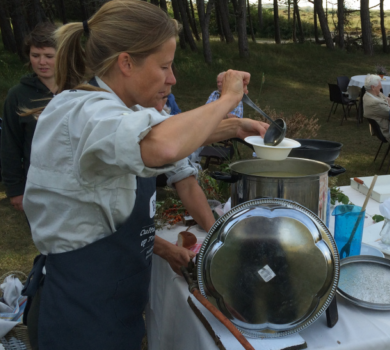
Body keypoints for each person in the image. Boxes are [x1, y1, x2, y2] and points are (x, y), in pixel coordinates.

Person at [20, 2, 268, 349]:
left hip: (114, 299)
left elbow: (163, 131)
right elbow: (161, 145)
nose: (172, 78)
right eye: (164, 66)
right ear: (126, 62)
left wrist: (235, 126)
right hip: (81, 310)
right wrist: (228, 99)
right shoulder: (84, 111)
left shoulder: (120, 109)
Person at [1, 23, 58, 212]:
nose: (42, 62)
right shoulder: (17, 95)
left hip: (81, 185)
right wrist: (15, 189)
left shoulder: (81, 89)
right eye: (35, 56)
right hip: (38, 185)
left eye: (49, 56)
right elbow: (10, 145)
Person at [363, 74, 390, 139]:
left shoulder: (372, 94)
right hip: (389, 131)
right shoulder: (374, 103)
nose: (381, 87)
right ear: (373, 87)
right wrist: (389, 103)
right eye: (379, 85)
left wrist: (389, 103)